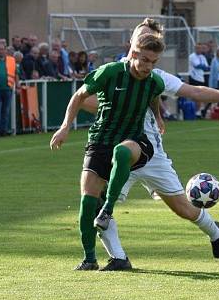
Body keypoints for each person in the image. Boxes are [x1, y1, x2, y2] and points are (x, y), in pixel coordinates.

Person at [76, 19, 219, 270]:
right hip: (115, 150)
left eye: (152, 40)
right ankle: (118, 257)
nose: (147, 43)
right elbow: (84, 99)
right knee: (97, 204)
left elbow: (194, 91)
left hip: (150, 153)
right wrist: (113, 109)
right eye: (143, 37)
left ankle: (214, 232)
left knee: (183, 209)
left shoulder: (156, 77)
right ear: (134, 44)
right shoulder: (113, 71)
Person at [50, 32, 166, 271]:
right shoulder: (110, 72)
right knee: (86, 202)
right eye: (144, 60)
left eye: (153, 62)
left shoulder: (155, 82)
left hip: (135, 140)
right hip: (101, 140)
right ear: (133, 54)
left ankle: (108, 208)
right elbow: (78, 96)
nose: (148, 67)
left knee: (123, 153)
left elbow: (154, 98)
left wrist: (158, 118)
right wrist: (64, 128)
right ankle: (89, 259)